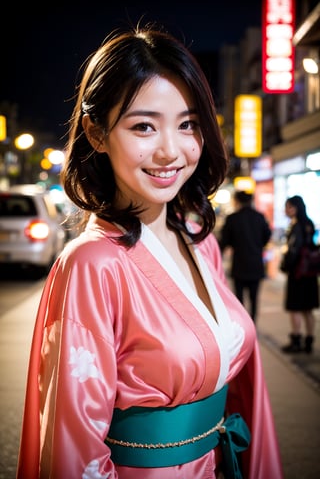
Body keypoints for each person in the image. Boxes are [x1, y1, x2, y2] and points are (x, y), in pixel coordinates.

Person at [16, 25, 283, 479]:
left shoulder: (200, 239)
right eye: (143, 126)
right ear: (96, 134)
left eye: (188, 125)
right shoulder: (91, 265)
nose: (170, 151)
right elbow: (74, 443)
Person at [218, 190, 272, 322]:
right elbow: (267, 236)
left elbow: (224, 242)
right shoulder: (259, 217)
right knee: (254, 299)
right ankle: (253, 324)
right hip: (256, 264)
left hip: (239, 265)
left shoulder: (232, 218)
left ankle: (243, 325)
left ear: (237, 201)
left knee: (239, 299)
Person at [280, 195, 319, 354]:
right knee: (308, 309)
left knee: (295, 308)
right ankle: (309, 341)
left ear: (296, 208)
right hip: (310, 273)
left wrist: (285, 266)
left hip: (297, 274)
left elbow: (294, 251)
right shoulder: (309, 223)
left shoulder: (295, 226)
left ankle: (296, 340)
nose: (286, 210)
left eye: (289, 207)